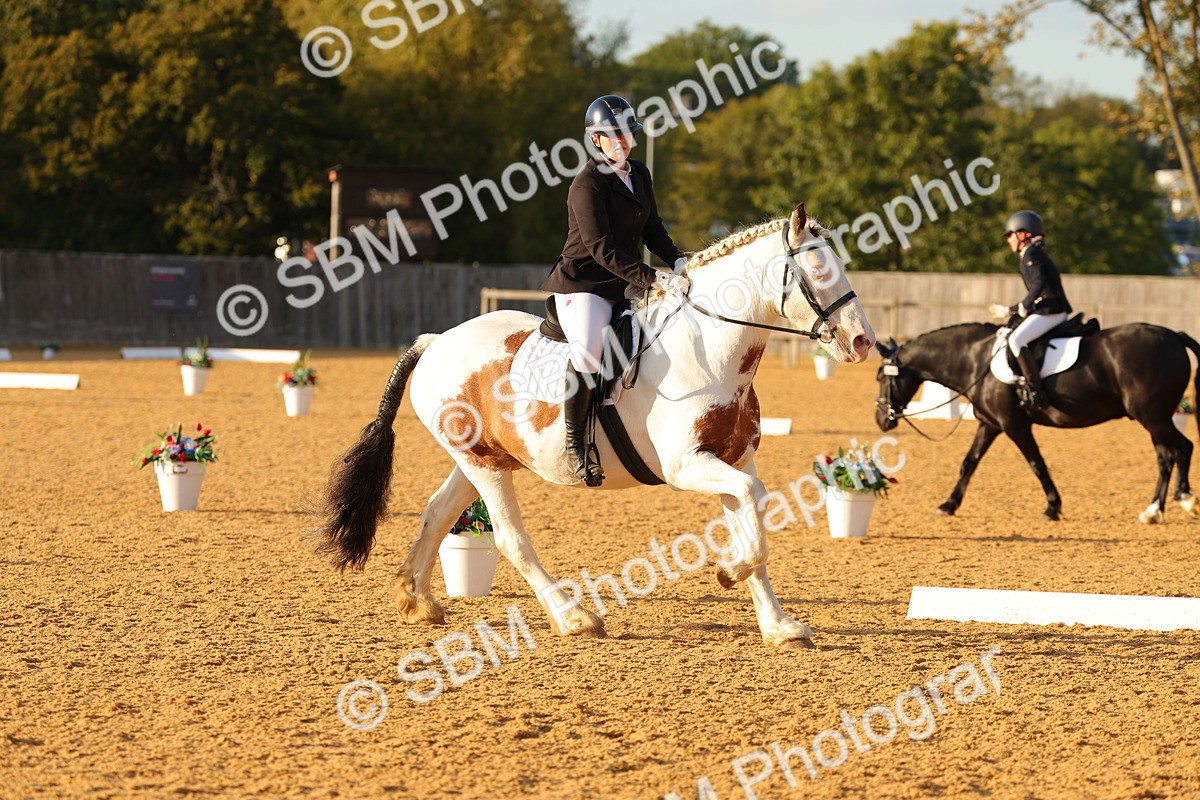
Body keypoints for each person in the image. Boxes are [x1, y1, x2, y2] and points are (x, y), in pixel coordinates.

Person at [540, 95, 691, 486]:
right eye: (612, 135)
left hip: (626, 282)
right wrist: (651, 277)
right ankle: (575, 445)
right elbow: (600, 247)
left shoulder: (639, 174)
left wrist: (677, 261)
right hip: (584, 283)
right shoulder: (587, 184)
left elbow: (653, 229)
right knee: (590, 349)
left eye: (626, 132)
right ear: (596, 140)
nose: (622, 140)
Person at [989, 210, 1072, 411]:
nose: (1008, 240)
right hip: (1045, 308)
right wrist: (1014, 311)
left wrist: (1018, 308)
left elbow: (1038, 285)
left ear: (1023, 234)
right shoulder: (1030, 254)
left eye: (1011, 235)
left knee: (1016, 340)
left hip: (1051, 310)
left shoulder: (1032, 254)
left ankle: (1036, 391)